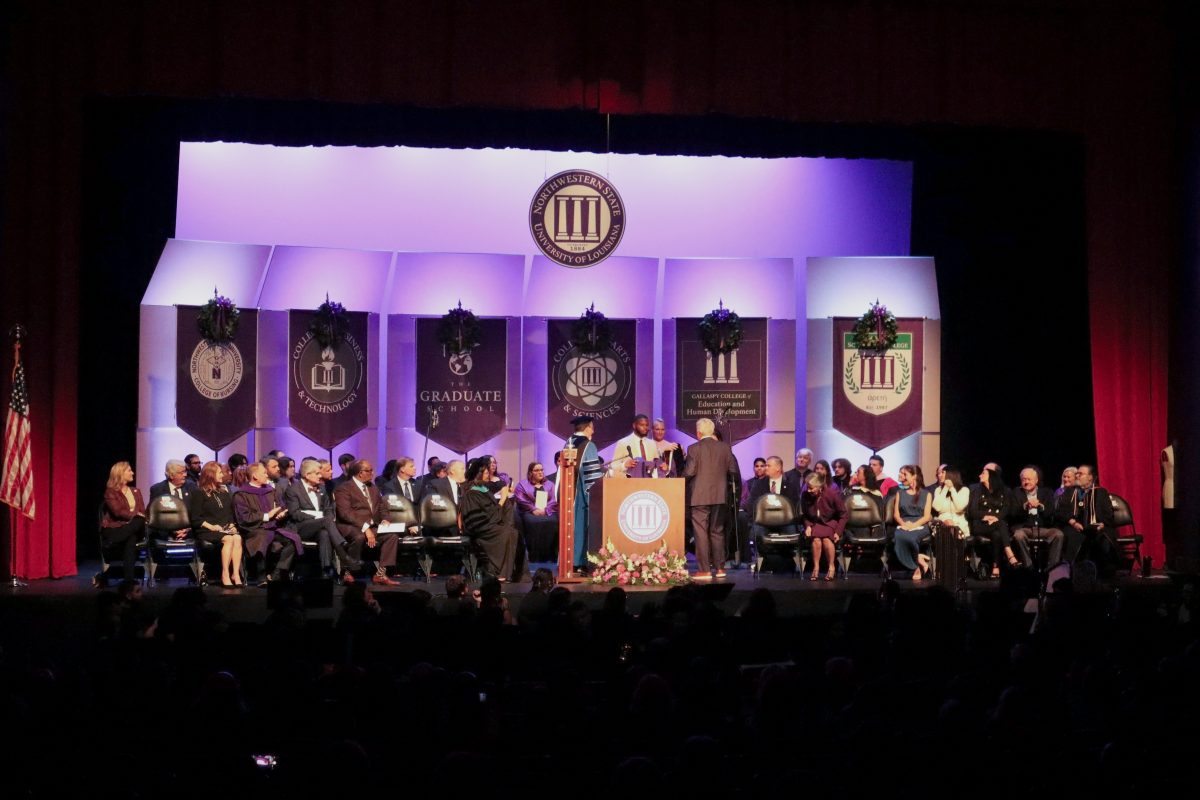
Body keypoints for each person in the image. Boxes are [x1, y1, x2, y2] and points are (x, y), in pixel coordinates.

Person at [285, 458, 362, 581]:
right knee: (325, 522)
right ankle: (344, 554)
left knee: (324, 533)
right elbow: (295, 514)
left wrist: (326, 517)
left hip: (321, 526)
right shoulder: (293, 489)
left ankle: (326, 571)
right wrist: (317, 516)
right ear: (307, 474)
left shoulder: (321, 488)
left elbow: (329, 509)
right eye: (317, 473)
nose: (320, 476)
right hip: (301, 527)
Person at [683, 417, 740, 579]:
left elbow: (690, 472)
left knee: (701, 532)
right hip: (720, 496)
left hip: (699, 496)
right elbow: (733, 471)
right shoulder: (725, 448)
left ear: (698, 432)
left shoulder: (693, 448)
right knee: (717, 532)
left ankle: (704, 570)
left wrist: (678, 480)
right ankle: (720, 569)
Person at [334, 460, 400, 586]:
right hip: (351, 525)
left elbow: (381, 506)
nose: (372, 473)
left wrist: (386, 519)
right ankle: (348, 571)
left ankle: (380, 574)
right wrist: (365, 528)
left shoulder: (373, 487)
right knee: (359, 537)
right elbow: (345, 513)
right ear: (360, 473)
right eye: (369, 470)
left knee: (392, 536)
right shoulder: (343, 488)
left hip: (372, 525)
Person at [233, 462, 298, 584]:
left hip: (274, 528)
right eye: (264, 473)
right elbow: (244, 518)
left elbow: (281, 507)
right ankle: (261, 576)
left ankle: (276, 575)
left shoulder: (271, 491)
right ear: (255, 476)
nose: (267, 475)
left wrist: (282, 513)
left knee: (293, 539)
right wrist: (268, 516)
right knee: (262, 537)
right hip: (254, 529)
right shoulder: (241, 494)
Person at [459, 457, 518, 580]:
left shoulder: (484, 488)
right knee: (506, 533)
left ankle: (509, 573)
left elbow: (489, 510)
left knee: (513, 532)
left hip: (488, 523)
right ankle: (496, 571)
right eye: (485, 473)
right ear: (479, 475)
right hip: (479, 527)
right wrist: (500, 503)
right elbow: (476, 517)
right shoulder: (471, 491)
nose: (488, 475)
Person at [188, 461, 242, 587]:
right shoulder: (199, 493)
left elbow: (229, 514)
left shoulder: (223, 492)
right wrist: (212, 527)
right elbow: (196, 518)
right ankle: (225, 574)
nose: (222, 475)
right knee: (228, 539)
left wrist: (232, 525)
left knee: (237, 537)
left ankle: (236, 573)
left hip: (223, 529)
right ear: (211, 474)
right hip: (206, 530)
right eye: (219, 473)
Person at [1055, 463, 1116, 570]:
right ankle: (1074, 570)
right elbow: (1060, 512)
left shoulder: (1101, 492)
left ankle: (1103, 573)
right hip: (1074, 527)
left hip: (1096, 527)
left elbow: (1108, 514)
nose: (1077, 475)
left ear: (1090, 477)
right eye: (1077, 473)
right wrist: (1072, 522)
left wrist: (1102, 524)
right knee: (1072, 537)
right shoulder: (1070, 491)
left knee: (1104, 538)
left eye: (1081, 473)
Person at [743, 456, 801, 566]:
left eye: (768, 465)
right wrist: (754, 519)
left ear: (778, 468)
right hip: (763, 523)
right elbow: (751, 503)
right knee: (756, 533)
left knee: (792, 534)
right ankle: (765, 561)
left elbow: (795, 505)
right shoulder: (759, 484)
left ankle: (786, 562)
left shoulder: (790, 486)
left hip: (785, 523)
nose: (765, 468)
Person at [564, 415, 604, 572]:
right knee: (582, 526)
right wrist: (593, 498)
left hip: (569, 493)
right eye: (592, 427)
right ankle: (580, 561)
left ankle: (570, 562)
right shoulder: (588, 445)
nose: (593, 431)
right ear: (587, 427)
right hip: (581, 495)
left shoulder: (568, 443)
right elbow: (592, 476)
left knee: (570, 528)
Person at [100, 461, 147, 581]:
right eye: (129, 470)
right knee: (130, 539)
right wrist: (135, 515)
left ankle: (113, 541)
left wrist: (137, 517)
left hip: (131, 528)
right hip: (115, 528)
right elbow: (118, 512)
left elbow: (142, 511)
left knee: (140, 521)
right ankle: (129, 580)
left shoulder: (136, 491)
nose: (133, 472)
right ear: (120, 473)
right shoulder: (111, 492)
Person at [1010, 466, 1064, 567]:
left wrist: (1041, 507)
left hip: (1043, 527)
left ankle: (1052, 567)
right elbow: (1012, 513)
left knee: (1058, 534)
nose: (1026, 482)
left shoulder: (1047, 492)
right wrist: (1024, 507)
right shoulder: (1016, 493)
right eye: (1023, 479)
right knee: (1018, 535)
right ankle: (1028, 566)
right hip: (1025, 527)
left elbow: (1052, 512)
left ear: (1036, 480)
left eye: (1029, 479)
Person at [801, 472, 847, 581]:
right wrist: (808, 526)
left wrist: (838, 532)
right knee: (816, 540)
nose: (808, 490)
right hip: (815, 523)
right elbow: (805, 515)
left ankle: (831, 567)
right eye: (808, 487)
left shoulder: (832, 494)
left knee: (826, 540)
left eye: (811, 488)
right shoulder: (805, 495)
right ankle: (816, 567)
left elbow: (843, 515)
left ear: (819, 487)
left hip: (830, 522)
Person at [969, 466, 1013, 578]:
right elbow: (972, 511)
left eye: (983, 473)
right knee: (1001, 524)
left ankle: (995, 567)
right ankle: (1009, 552)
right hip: (980, 525)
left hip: (996, 527)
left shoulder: (1003, 491)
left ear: (992, 477)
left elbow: (1006, 510)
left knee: (997, 534)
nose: (980, 475)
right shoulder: (976, 490)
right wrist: (987, 517)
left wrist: (994, 518)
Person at [892, 464, 933, 581]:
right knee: (899, 536)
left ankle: (915, 567)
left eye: (905, 474)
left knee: (910, 538)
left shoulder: (927, 494)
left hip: (920, 524)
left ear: (914, 476)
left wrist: (913, 526)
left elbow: (926, 516)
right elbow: (896, 514)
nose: (902, 477)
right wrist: (904, 525)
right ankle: (917, 561)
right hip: (903, 523)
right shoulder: (900, 493)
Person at [514, 461, 559, 562]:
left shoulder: (550, 484)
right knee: (533, 522)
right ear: (531, 473)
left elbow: (554, 500)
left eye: (542, 470)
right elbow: (521, 499)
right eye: (537, 470)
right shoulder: (522, 484)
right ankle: (534, 556)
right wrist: (533, 509)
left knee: (553, 522)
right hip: (529, 512)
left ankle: (550, 556)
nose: (540, 472)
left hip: (547, 511)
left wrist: (545, 510)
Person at [614, 413, 673, 478]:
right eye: (642, 425)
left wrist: (664, 468)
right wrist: (624, 465)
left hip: (649, 484)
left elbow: (657, 465)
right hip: (629, 483)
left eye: (647, 425)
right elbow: (613, 466)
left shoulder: (652, 444)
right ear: (634, 425)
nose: (645, 428)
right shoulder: (623, 443)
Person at [931, 466, 970, 539]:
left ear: (950, 474)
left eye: (943, 473)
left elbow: (960, 507)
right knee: (947, 523)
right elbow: (937, 507)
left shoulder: (964, 490)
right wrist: (945, 488)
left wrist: (952, 489)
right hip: (942, 524)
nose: (940, 475)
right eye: (940, 473)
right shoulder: (938, 490)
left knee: (953, 528)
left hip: (959, 524)